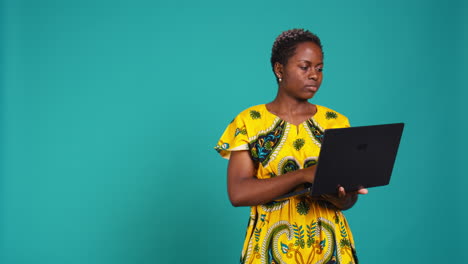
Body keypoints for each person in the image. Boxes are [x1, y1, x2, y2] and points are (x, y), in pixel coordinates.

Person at [214, 29, 368, 264]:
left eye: (319, 68)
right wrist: (304, 175)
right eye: (305, 67)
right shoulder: (249, 122)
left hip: (330, 248)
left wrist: (340, 195)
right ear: (279, 69)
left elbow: (347, 203)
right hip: (270, 249)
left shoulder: (337, 123)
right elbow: (238, 193)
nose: (314, 75)